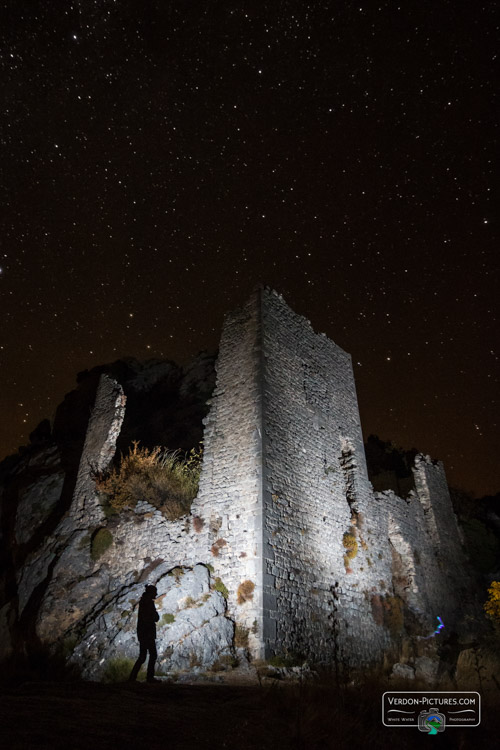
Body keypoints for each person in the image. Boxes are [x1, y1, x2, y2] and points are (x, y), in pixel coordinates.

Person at [129, 584, 160, 683]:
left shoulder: (144, 601)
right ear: (151, 593)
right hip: (148, 633)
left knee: (143, 656)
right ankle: (149, 677)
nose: (156, 594)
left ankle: (132, 678)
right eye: (154, 592)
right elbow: (154, 617)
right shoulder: (148, 602)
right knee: (152, 655)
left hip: (143, 633)